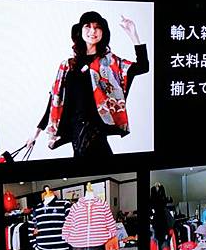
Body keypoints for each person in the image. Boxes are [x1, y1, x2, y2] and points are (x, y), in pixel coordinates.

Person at [26, 11, 149, 157]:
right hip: (76, 132)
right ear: (80, 31)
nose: (92, 31)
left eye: (97, 27)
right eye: (88, 26)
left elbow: (143, 67)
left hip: (95, 130)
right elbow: (54, 100)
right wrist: (35, 134)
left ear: (103, 32)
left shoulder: (109, 63)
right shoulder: (67, 66)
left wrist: (133, 34)